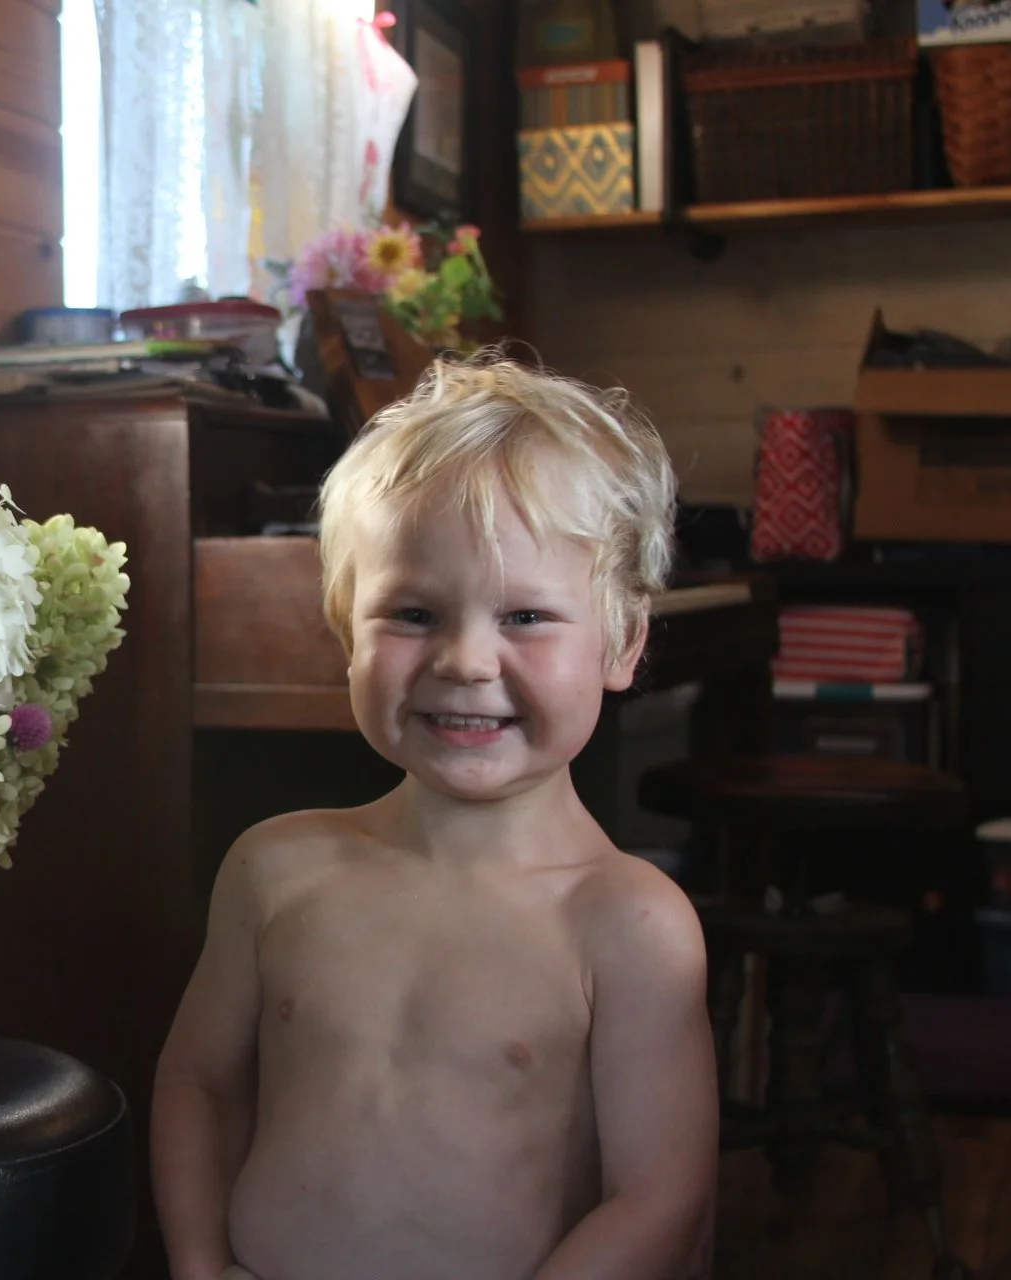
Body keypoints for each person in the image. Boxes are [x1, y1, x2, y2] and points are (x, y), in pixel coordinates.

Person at [152, 354, 718, 1280]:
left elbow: (659, 1200)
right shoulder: (274, 869)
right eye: (413, 614)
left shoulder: (630, 924)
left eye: (525, 617)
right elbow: (199, 1086)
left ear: (621, 642)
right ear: (346, 629)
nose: (464, 661)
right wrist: (201, 1264)